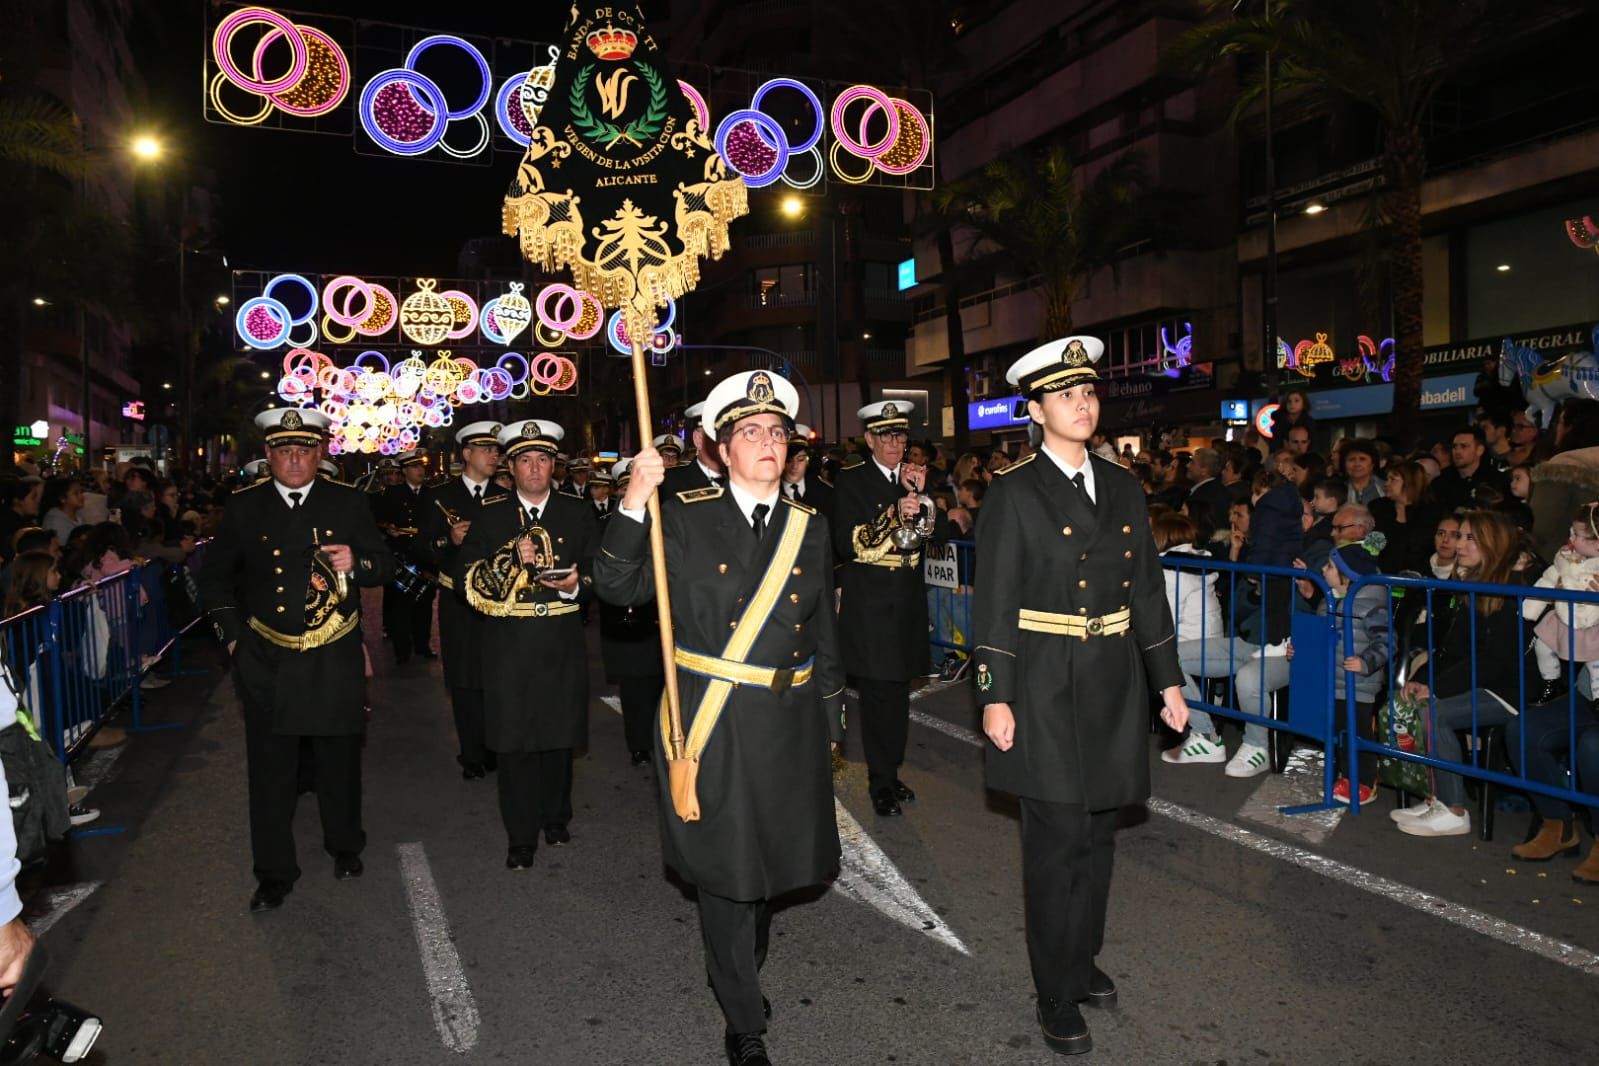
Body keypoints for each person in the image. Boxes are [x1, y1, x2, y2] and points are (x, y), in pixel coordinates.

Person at [592, 370, 844, 1066]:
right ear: (719, 447)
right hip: (713, 721)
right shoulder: (685, 517)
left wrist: (831, 718)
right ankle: (742, 1019)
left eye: (777, 432)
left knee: (770, 870)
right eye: (750, 433)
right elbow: (615, 586)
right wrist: (636, 498)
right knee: (727, 871)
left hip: (789, 721)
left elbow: (823, 630)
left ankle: (740, 970)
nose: (767, 441)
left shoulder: (809, 528)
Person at [972, 336, 1187, 1057]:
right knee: (1056, 843)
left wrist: (1167, 682)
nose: (1083, 404)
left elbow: (1148, 590)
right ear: (1035, 410)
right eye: (1065, 395)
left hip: (1110, 680)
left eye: (1089, 392)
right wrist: (993, 695)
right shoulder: (1013, 490)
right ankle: (1053, 991)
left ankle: (1081, 957)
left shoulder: (1123, 485)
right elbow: (994, 604)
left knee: (1098, 835)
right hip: (1041, 680)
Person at [196, 408, 395, 911]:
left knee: (338, 761)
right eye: (283, 450)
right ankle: (274, 873)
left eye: (304, 450)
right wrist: (234, 639)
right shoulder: (244, 507)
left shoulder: (347, 502)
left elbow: (385, 563)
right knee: (270, 772)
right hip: (268, 658)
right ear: (267, 456)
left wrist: (360, 561)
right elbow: (215, 577)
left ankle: (345, 846)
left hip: (332, 655)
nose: (293, 459)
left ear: (319, 453)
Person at [453, 420, 596, 867]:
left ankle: (556, 818)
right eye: (525, 460)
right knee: (514, 744)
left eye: (543, 460)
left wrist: (576, 586)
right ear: (510, 467)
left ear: (554, 466)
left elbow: (602, 571)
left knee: (558, 738)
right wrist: (507, 561)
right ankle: (520, 835)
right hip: (508, 646)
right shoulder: (492, 516)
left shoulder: (576, 511)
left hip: (559, 642)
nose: (535, 469)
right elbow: (465, 580)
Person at [831, 398, 951, 817]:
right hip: (872, 606)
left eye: (900, 435)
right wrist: (893, 511)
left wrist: (921, 496)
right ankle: (880, 782)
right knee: (880, 697)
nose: (895, 442)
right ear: (869, 440)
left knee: (898, 696)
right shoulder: (852, 481)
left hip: (908, 605)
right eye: (886, 435)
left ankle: (891, 773)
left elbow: (941, 535)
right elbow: (846, 543)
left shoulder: (913, 479)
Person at [1391, 510, 1531, 838]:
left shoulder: (1511, 588)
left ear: (1492, 543)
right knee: (1417, 704)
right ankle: (1436, 796)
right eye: (1459, 536)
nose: (1459, 544)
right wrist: (1422, 679)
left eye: (1470, 538)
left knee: (1435, 712)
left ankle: (1454, 809)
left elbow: (1494, 661)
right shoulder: (1469, 583)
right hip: (1479, 680)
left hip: (1508, 690)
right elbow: (1451, 649)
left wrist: (1437, 688)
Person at [413, 421, 502, 780]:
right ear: (466, 454)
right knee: (465, 679)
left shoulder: (505, 495)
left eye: (497, 450)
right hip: (459, 600)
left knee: (497, 675)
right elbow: (420, 548)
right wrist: (448, 539)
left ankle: (497, 747)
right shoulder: (440, 496)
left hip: (499, 600)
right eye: (486, 449)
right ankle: (472, 754)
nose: (495, 455)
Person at [595, 457, 665, 766]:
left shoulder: (664, 520)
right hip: (627, 619)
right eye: (626, 487)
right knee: (636, 688)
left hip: (659, 618)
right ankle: (639, 745)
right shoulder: (608, 524)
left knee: (662, 685)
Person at [1523, 503, 1599, 705]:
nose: (1571, 538)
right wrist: (1532, 606)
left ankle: (1598, 696)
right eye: (1571, 533)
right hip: (1562, 616)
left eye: (1577, 535)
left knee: (1596, 662)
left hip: (1591, 623)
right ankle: (1551, 682)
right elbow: (1548, 579)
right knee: (1542, 644)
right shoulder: (1565, 558)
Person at [374, 449, 437, 664]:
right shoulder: (392, 494)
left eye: (421, 466)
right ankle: (403, 651)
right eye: (415, 467)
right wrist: (388, 530)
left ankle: (423, 645)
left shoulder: (431, 494)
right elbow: (378, 521)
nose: (420, 470)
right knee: (401, 606)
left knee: (425, 603)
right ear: (405, 471)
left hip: (425, 558)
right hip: (401, 556)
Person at [1529, 399, 1599, 560]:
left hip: (1557, 568)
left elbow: (1540, 527)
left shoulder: (1561, 468)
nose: (1557, 429)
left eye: (1559, 423)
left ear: (1572, 428)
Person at [1369, 460, 1435, 573]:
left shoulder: (1430, 512)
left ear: (1410, 482)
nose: (1386, 483)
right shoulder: (1378, 508)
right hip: (1381, 575)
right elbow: (1372, 546)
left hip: (1417, 578)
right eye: (1387, 479)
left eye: (1393, 479)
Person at [1430, 427, 1508, 515]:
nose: (1457, 451)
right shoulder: (1441, 481)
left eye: (1464, 446)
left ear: (1479, 450)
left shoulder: (1496, 480)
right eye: (1454, 446)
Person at [778, 425, 831, 515]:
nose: (795, 466)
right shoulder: (768, 493)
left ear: (807, 461)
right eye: (788, 460)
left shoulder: (825, 491)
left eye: (800, 459)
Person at [39, 479, 84, 544]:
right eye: (76, 493)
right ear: (62, 499)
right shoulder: (54, 522)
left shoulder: (79, 514)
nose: (81, 496)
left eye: (81, 492)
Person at [1341, 440, 1384, 505]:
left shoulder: (1385, 488)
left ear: (1372, 464)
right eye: (1351, 459)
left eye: (1362, 459)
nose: (1357, 464)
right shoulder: (1335, 488)